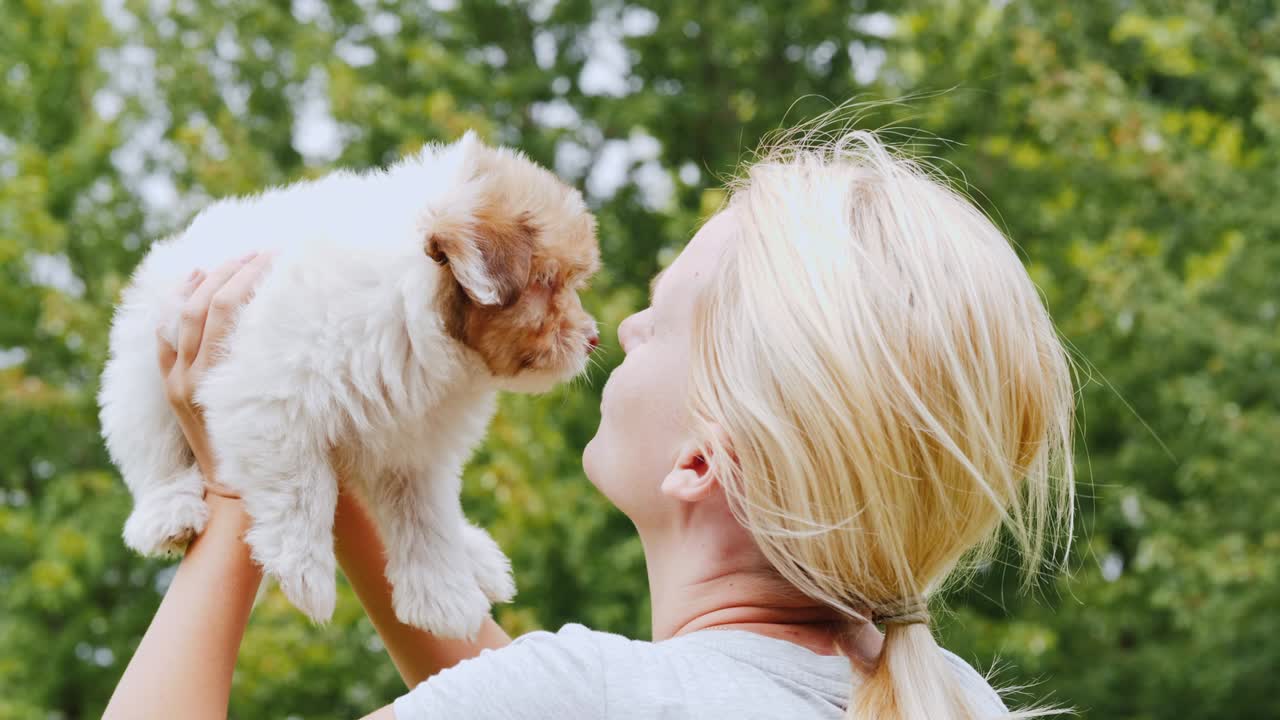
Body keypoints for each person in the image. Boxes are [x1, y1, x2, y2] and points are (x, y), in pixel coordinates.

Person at [103, 126, 1075, 720]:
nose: (623, 328)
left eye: (660, 316)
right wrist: (316, 445)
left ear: (703, 460)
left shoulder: (579, 693)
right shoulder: (952, 698)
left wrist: (233, 491)